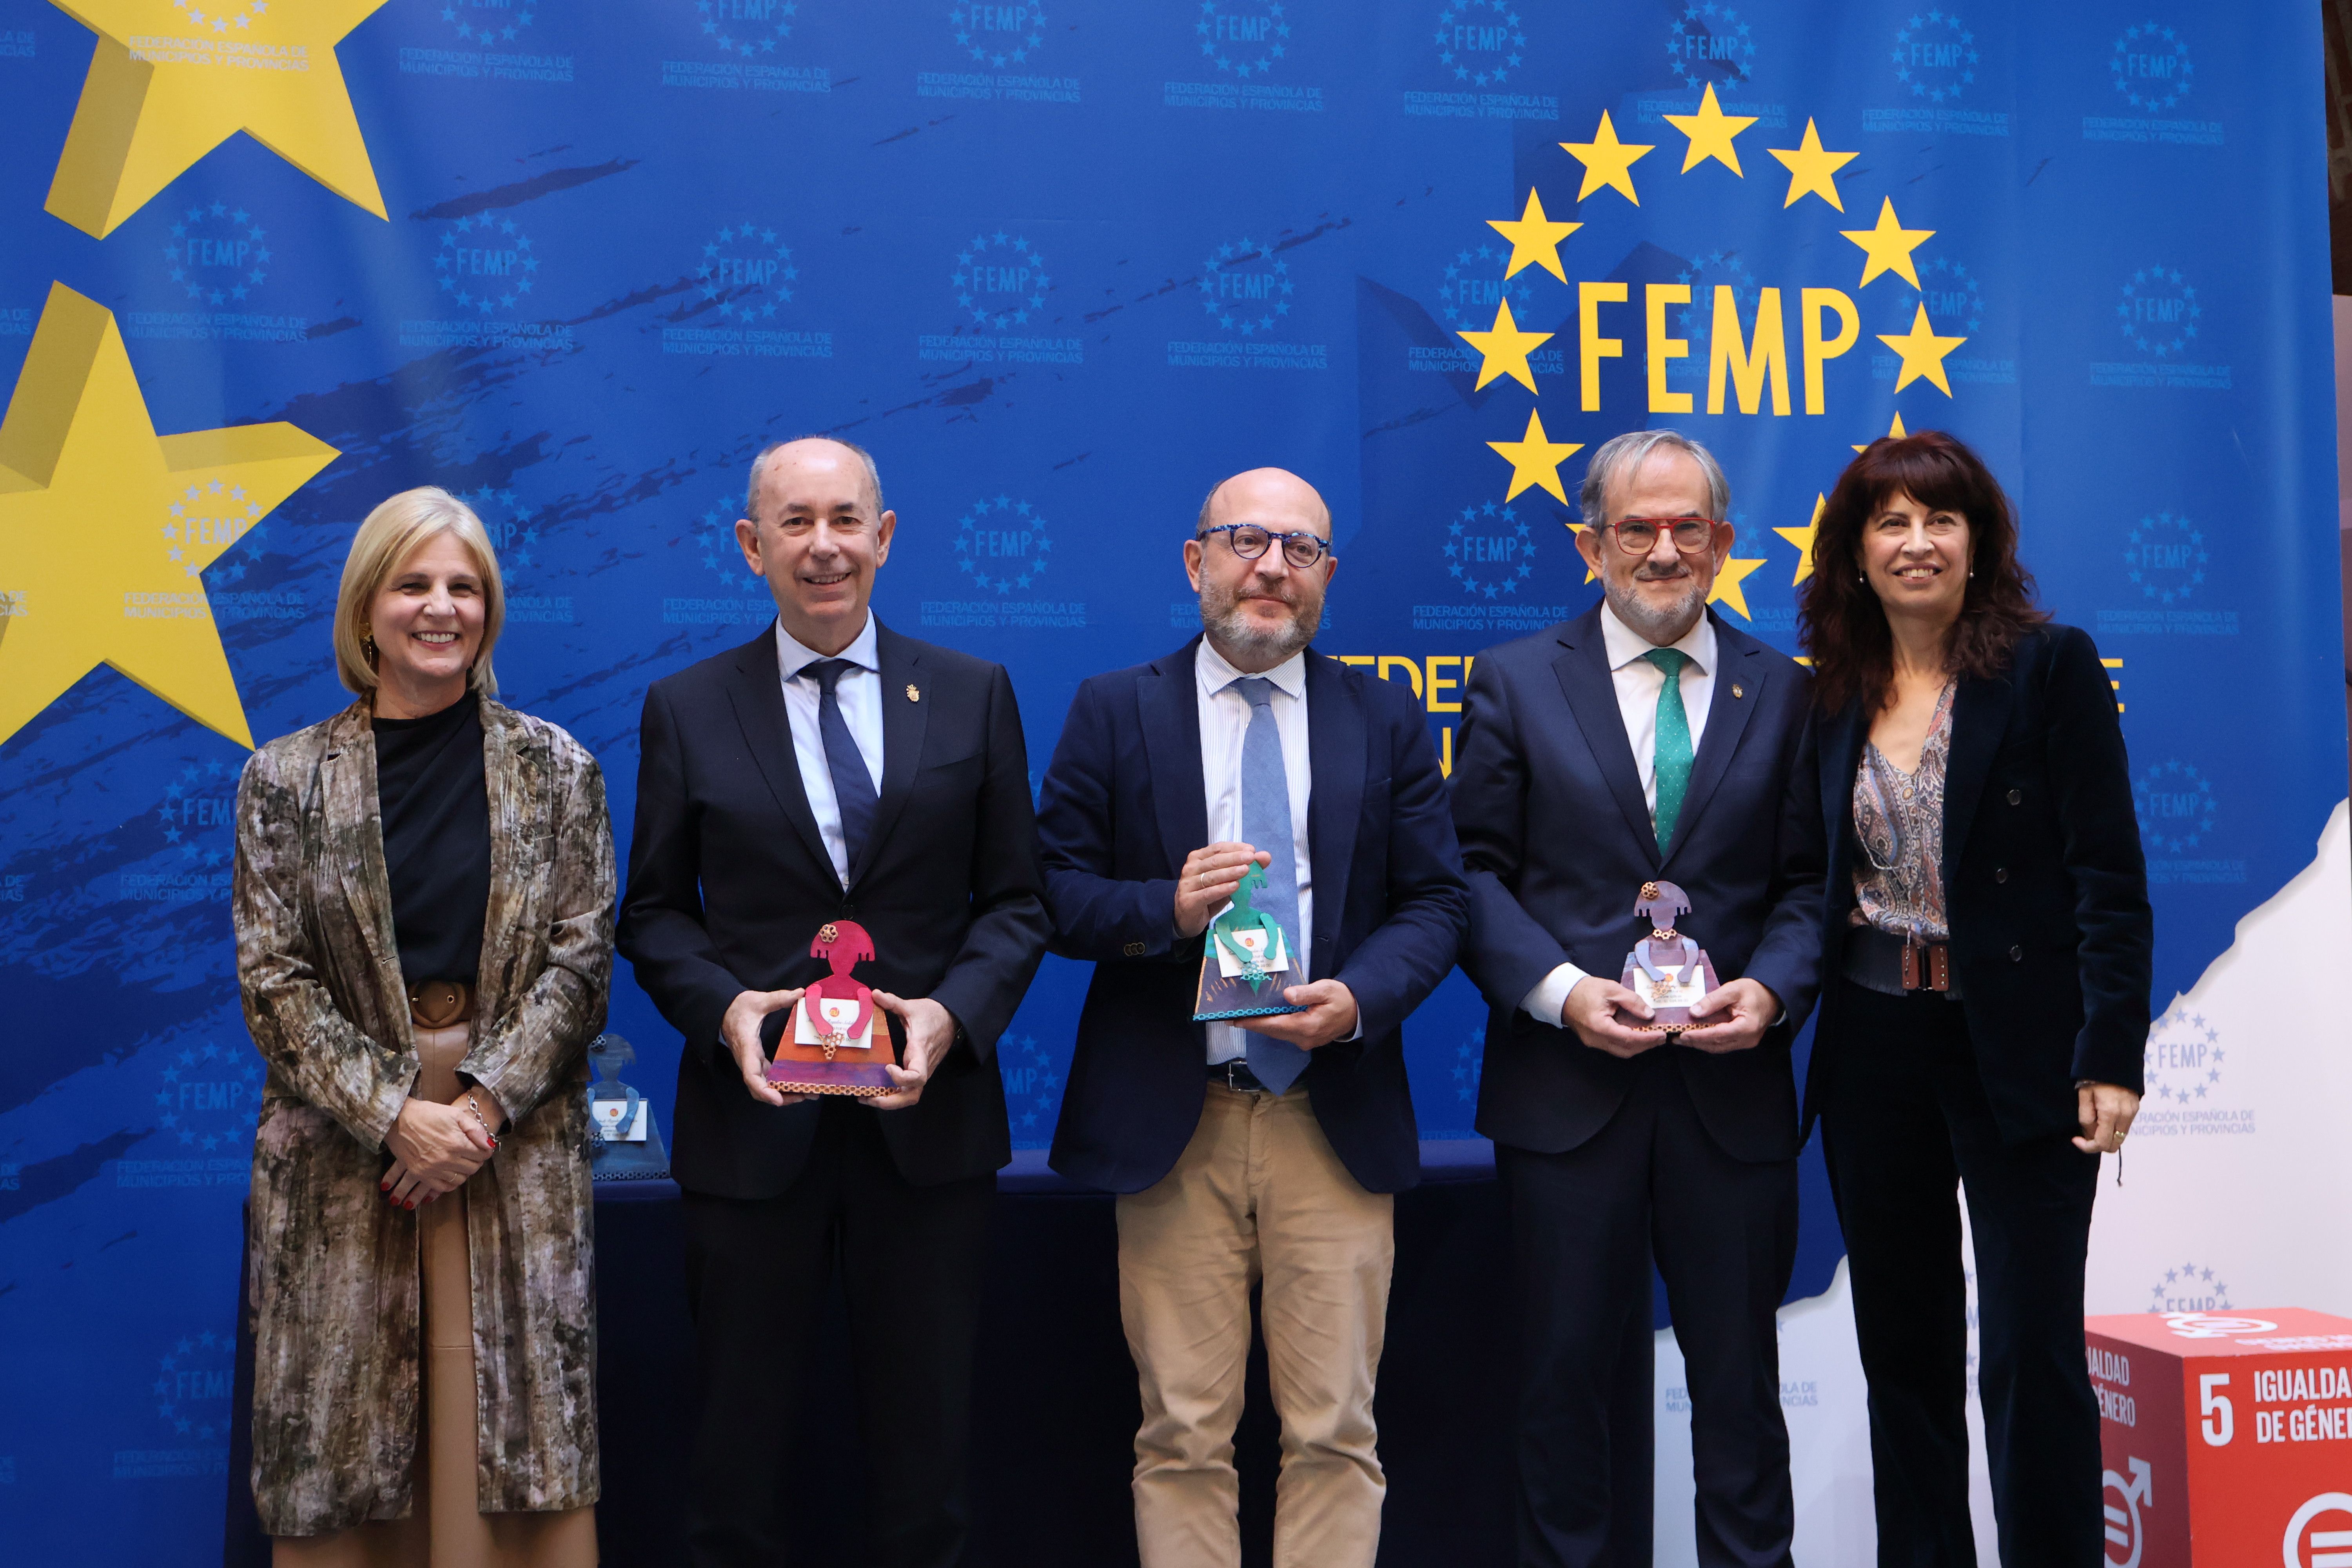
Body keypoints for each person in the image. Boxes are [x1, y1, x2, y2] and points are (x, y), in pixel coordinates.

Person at [617, 436, 1050, 1568]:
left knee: (928, 1471)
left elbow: (1016, 903)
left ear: (886, 537)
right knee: (736, 1469)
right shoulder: (687, 706)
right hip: (752, 1139)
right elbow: (654, 914)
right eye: (796, 523)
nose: (825, 547)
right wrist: (729, 1013)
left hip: (930, 1134)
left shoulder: (974, 695)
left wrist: (951, 1017)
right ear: (752, 547)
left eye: (847, 520)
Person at [1036, 467, 1468, 1568]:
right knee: (1182, 1433)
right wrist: (1168, 911)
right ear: (1197, 562)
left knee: (1335, 1431)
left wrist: (1360, 999)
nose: (1271, 567)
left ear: (1327, 575)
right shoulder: (1113, 708)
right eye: (1245, 541)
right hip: (1174, 1122)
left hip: (1333, 1116)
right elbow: (1053, 893)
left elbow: (1435, 901)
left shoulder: (1384, 713)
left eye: (1301, 549)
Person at [1450, 430, 1826, 1568]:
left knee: (1742, 1400)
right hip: (1568, 1099)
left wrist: (1770, 990)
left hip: (1733, 1098)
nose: (1662, 551)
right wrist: (1562, 995)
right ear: (1589, 544)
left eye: (1686, 529)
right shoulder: (1514, 681)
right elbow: (1468, 875)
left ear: (1722, 542)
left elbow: (1814, 884)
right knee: (1562, 1396)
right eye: (1635, 529)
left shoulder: (1793, 694)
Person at [233, 486, 614, 1565]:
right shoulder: (282, 780)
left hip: (512, 1145)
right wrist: (399, 1114)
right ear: (367, 610)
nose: (440, 607)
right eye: (414, 584)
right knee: (347, 1439)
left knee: (517, 1440)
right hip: (350, 1154)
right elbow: (276, 982)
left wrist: (479, 1110)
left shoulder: (559, 769)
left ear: (489, 611)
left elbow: (579, 966)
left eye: (464, 586)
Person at [1796, 430, 2148, 1566]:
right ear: (1854, 551)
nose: (1916, 542)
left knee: (2032, 1354)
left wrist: (2112, 1052)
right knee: (1902, 1353)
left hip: (2022, 1048)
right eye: (1889, 522)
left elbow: (2110, 876)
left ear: (1980, 542)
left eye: (1940, 519)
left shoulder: (2050, 668)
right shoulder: (1828, 696)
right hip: (1873, 1046)